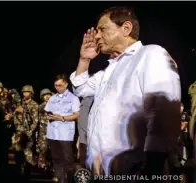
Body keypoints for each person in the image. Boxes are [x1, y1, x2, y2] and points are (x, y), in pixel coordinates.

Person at [70, 6, 181, 178]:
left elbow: (163, 115)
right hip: (103, 171)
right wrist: (84, 60)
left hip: (135, 171)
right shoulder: (107, 71)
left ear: (126, 28)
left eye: (102, 29)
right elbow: (80, 88)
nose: (97, 36)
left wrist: (151, 169)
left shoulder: (151, 54)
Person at [45, 74, 80, 183]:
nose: (58, 87)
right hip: (52, 133)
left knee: (67, 160)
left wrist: (61, 118)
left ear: (66, 84)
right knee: (56, 159)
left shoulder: (73, 98)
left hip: (65, 134)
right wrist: (48, 116)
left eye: (60, 85)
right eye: (56, 85)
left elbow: (77, 115)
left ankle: (69, 180)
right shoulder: (52, 98)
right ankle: (59, 179)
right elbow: (47, 112)